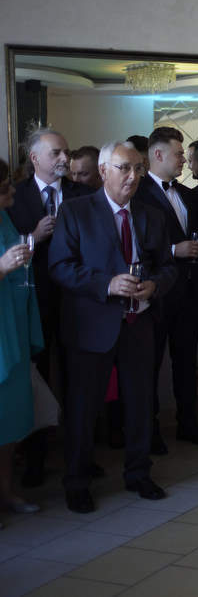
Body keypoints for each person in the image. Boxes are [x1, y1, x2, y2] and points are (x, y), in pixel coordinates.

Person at [49, 141, 178, 513]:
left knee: (140, 404)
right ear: (104, 170)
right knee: (83, 408)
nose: (132, 176)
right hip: (92, 323)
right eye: (124, 168)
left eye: (138, 168)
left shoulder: (152, 215)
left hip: (139, 322)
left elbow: (169, 266)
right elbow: (60, 267)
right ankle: (77, 482)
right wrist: (107, 284)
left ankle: (138, 474)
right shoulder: (75, 211)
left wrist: (155, 285)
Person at [5, 126, 94, 488]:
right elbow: (7, 248)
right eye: (56, 153)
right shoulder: (14, 196)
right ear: (34, 158)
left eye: (65, 152)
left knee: (78, 381)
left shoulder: (82, 194)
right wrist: (33, 238)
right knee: (36, 380)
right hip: (33, 303)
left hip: (77, 301)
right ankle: (35, 461)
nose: (64, 159)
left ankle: (82, 456)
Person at [135, 128, 198, 448]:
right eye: (179, 153)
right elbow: (136, 244)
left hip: (190, 290)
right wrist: (172, 250)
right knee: (150, 364)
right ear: (158, 155)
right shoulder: (138, 193)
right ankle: (150, 431)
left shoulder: (187, 194)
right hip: (156, 292)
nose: (184, 159)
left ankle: (188, 424)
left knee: (186, 362)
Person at [0, 157, 44, 519]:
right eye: (4, 187)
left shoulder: (5, 217)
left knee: (10, 416)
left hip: (11, 326)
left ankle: (7, 490)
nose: (12, 191)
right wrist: (1, 267)